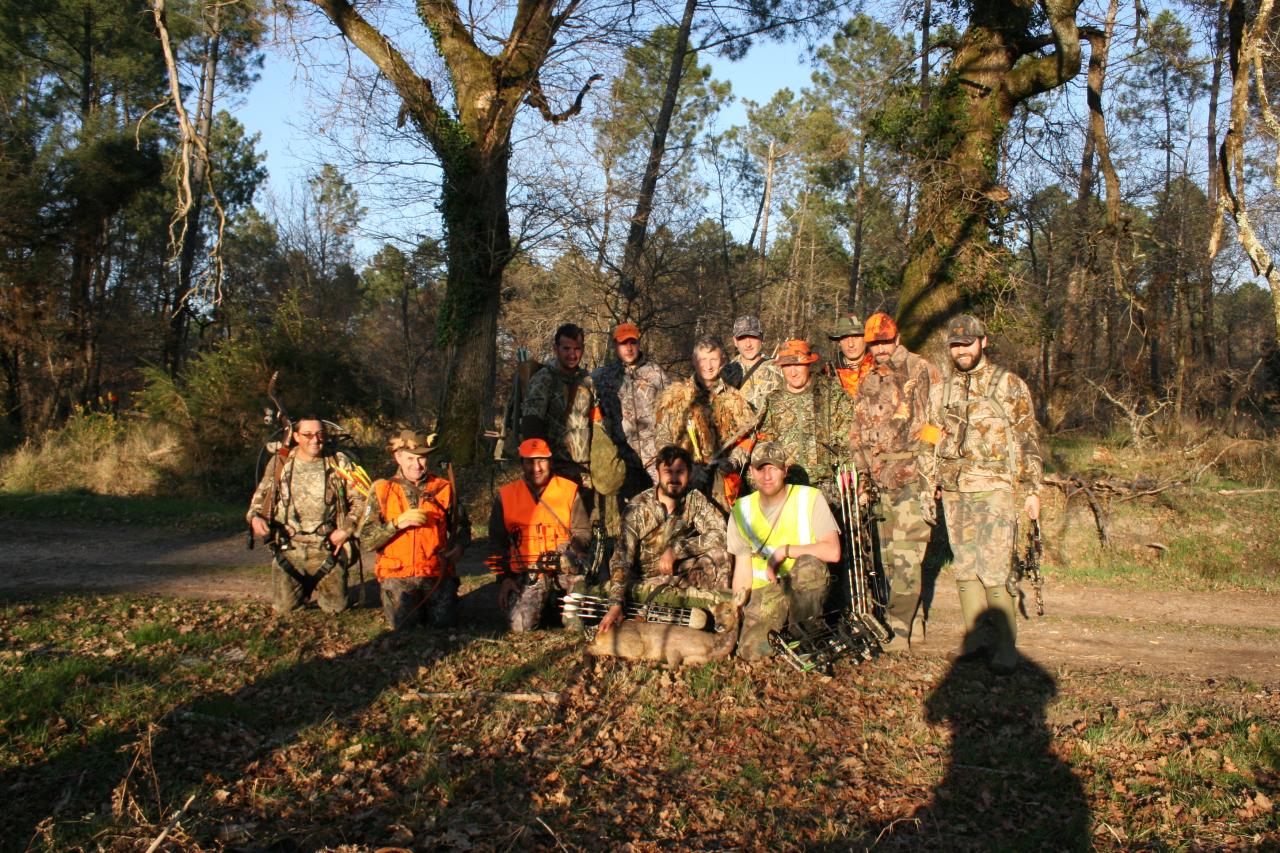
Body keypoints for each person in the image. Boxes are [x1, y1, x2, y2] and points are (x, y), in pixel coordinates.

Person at [920, 314, 1043, 674]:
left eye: (968, 343)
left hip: (995, 491)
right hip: (955, 491)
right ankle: (974, 644)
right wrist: (929, 484)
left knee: (994, 570)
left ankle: (1004, 650)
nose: (961, 350)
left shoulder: (1009, 385)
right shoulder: (941, 391)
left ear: (983, 342)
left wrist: (1032, 490)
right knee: (965, 568)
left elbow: (1027, 440)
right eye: (955, 345)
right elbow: (930, 438)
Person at [850, 312, 940, 652]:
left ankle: (899, 631)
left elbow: (936, 422)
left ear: (897, 338)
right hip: (877, 481)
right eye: (875, 343)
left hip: (910, 478)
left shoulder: (921, 370)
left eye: (886, 341)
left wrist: (928, 471)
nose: (882, 348)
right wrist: (862, 474)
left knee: (906, 557)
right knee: (888, 557)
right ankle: (912, 622)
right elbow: (857, 432)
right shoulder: (869, 380)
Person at [597, 444, 733, 634]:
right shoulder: (638, 507)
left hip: (680, 577)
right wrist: (615, 604)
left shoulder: (694, 499)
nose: (674, 478)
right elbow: (622, 558)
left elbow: (721, 533)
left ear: (689, 473)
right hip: (645, 584)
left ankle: (716, 624)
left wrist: (678, 549)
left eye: (680, 471)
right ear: (658, 473)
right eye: (668, 471)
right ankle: (657, 615)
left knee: (721, 555)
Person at [728, 441, 840, 660]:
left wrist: (784, 551)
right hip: (767, 593)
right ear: (751, 472)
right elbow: (742, 570)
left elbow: (832, 551)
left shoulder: (810, 498)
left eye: (773, 469)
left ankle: (806, 639)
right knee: (751, 652)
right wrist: (737, 610)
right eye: (761, 468)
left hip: (801, 587)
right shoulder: (741, 510)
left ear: (785, 471)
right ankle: (784, 636)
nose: (767, 476)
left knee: (810, 566)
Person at [359, 430, 470, 630]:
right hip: (398, 575)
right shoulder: (382, 490)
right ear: (398, 457)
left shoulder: (444, 488)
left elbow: (462, 526)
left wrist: (459, 547)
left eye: (422, 459)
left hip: (435, 572)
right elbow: (366, 540)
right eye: (411, 458)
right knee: (405, 628)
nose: (417, 465)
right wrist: (396, 524)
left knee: (443, 625)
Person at [247, 416, 358, 615]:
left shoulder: (339, 462)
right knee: (284, 610)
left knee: (336, 609)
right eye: (307, 435)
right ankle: (296, 592)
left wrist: (346, 530)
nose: (315, 440)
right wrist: (255, 518)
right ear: (296, 436)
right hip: (289, 549)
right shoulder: (280, 462)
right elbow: (258, 500)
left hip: (327, 549)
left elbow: (361, 502)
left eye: (320, 434)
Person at [490, 438, 592, 632]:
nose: (536, 467)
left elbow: (583, 532)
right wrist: (504, 579)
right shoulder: (506, 496)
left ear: (550, 462)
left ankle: (566, 611)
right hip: (528, 574)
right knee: (520, 626)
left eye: (541, 461)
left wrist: (571, 553)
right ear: (522, 464)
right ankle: (547, 607)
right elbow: (496, 543)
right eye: (529, 461)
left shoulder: (569, 491)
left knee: (577, 619)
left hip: (564, 571)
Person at [654, 335, 756, 513]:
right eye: (703, 359)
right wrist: (685, 468)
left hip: (722, 483)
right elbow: (662, 440)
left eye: (713, 359)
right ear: (694, 360)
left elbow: (748, 438)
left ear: (722, 360)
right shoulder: (676, 397)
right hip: (683, 482)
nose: (708, 366)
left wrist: (732, 461)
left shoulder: (735, 399)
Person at [755, 338, 856, 506]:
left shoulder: (830, 393)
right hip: (787, 490)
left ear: (809, 364)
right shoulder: (773, 400)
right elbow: (765, 446)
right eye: (787, 366)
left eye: (798, 365)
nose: (793, 372)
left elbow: (849, 439)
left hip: (828, 488)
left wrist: (849, 475)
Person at [591, 322, 671, 484]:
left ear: (639, 343)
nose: (629, 348)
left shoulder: (656, 373)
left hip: (654, 457)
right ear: (615, 346)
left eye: (632, 342)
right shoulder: (603, 376)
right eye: (623, 343)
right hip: (622, 457)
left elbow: (672, 410)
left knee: (661, 503)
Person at [522, 322, 597, 486]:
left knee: (583, 512)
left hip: (584, 473)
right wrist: (539, 468)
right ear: (556, 349)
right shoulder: (543, 380)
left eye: (577, 349)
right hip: (554, 471)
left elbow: (596, 422)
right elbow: (531, 425)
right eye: (566, 349)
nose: (572, 354)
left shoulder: (588, 382)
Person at [722, 314, 783, 412]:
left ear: (761, 337)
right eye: (742, 338)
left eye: (753, 337)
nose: (748, 344)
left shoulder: (778, 370)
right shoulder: (725, 373)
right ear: (735, 341)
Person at [826, 314, 871, 398]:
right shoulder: (828, 373)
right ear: (839, 342)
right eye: (845, 338)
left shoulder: (880, 367)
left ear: (866, 338)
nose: (850, 344)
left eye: (856, 337)